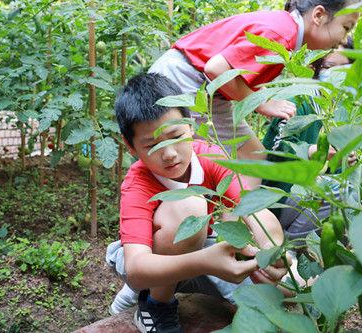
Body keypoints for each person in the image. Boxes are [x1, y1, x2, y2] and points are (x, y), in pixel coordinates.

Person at [106, 73, 286, 333]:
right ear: (131, 146)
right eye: (152, 145)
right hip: (162, 258)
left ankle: (138, 296)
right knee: (188, 207)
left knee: (285, 288)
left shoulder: (210, 156)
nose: (169, 153)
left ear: (191, 125)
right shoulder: (138, 183)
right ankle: (156, 304)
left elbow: (253, 208)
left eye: (175, 136)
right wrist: (205, 261)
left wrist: (270, 250)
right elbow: (136, 267)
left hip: (206, 250)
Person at [149, 0, 360, 188]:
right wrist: (262, 103)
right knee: (192, 164)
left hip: (208, 88)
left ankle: (233, 221)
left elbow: (233, 73)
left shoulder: (285, 30)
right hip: (184, 81)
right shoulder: (281, 33)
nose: (344, 39)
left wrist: (263, 97)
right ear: (319, 15)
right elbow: (216, 68)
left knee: (252, 158)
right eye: (345, 27)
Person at [262, 43, 356, 240]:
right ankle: (287, 245)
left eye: (344, 68)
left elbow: (334, 172)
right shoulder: (298, 99)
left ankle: (294, 243)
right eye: (330, 67)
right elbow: (274, 149)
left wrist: (342, 160)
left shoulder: (338, 111)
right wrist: (311, 150)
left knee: (350, 192)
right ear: (314, 67)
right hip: (274, 195)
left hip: (300, 196)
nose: (337, 74)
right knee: (340, 189)